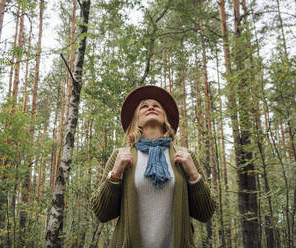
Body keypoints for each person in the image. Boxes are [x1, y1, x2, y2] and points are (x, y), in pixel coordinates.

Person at [91, 85, 216, 248]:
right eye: (144, 106)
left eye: (156, 105)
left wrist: (194, 176)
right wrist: (114, 175)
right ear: (136, 119)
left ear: (166, 118)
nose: (151, 107)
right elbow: (102, 213)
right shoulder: (120, 155)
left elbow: (205, 213)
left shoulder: (185, 156)